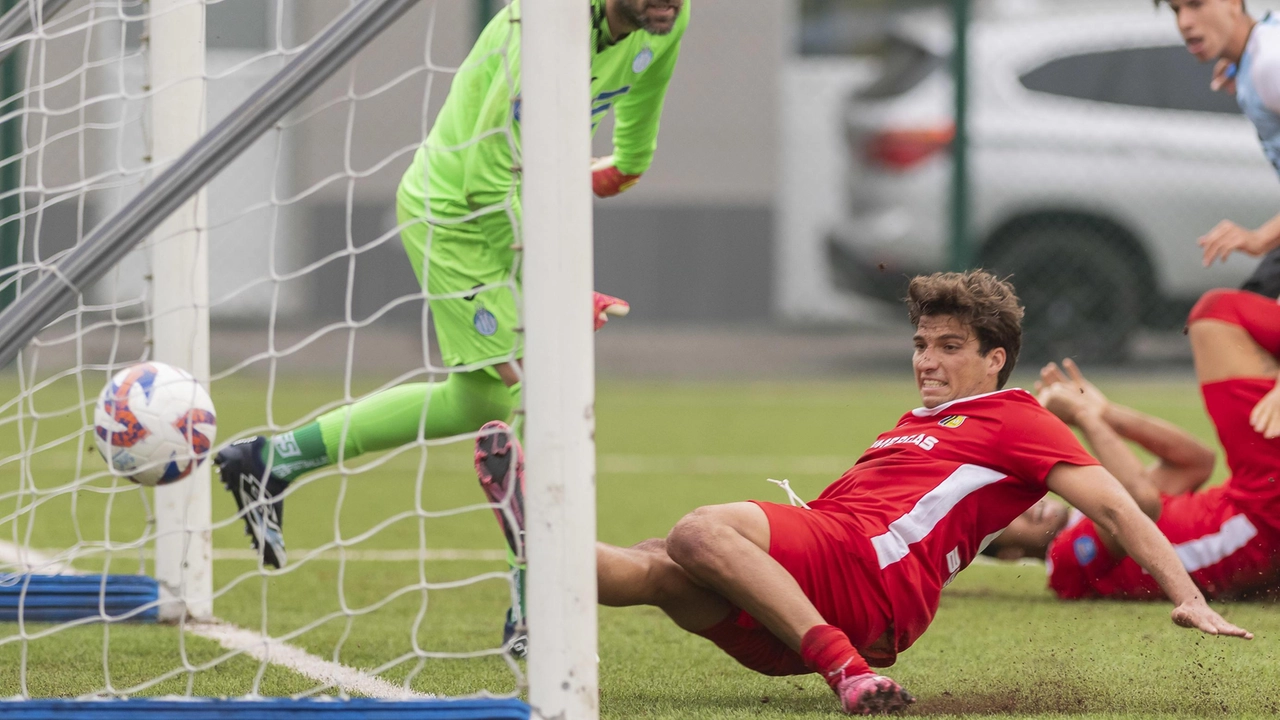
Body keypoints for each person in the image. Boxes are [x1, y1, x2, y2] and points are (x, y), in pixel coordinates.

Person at [474, 271, 1251, 716]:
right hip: (829, 588)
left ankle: (843, 666)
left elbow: (1117, 503)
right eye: (920, 344)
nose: (928, 361)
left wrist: (1184, 592)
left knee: (700, 530)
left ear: (995, 359)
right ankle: (541, 549)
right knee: (655, 569)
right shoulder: (919, 422)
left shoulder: (1012, 416)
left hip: (870, 577)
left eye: (950, 347)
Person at [213, 0, 689, 571]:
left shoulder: (664, 16)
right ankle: (534, 600)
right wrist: (553, 285)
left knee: (479, 401)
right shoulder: (538, 30)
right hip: (456, 211)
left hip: (516, 206)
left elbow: (647, 87)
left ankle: (270, 460)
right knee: (538, 388)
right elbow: (483, 185)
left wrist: (629, 162)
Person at [997, 289, 1280, 602]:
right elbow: (1142, 502)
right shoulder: (1064, 560)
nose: (1027, 507)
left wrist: (1106, 413)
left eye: (1015, 499)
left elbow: (1196, 462)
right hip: (1263, 513)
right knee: (1215, 314)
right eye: (1007, 517)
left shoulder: (1097, 512)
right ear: (1011, 553)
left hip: (1259, 510)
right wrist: (1085, 417)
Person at [1163, 0, 1280, 295]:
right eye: (1176, 10)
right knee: (1224, 322)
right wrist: (1240, 65)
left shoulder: (1269, 64)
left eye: (1196, 4)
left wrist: (1260, 238)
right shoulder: (1258, 50)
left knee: (1221, 322)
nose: (1184, 22)